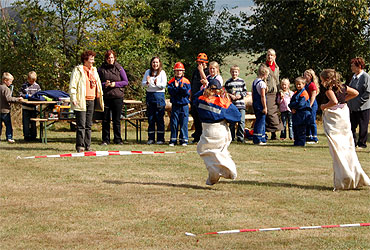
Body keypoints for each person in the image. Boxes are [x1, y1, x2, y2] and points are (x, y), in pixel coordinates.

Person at [320, 69, 370, 190]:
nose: (321, 83)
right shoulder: (343, 87)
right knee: (347, 145)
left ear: (327, 80)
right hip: (344, 115)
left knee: (337, 146)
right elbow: (356, 93)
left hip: (335, 118)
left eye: (322, 80)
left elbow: (334, 101)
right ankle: (353, 175)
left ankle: (344, 178)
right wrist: (344, 100)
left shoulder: (329, 90)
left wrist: (324, 106)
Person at [193, 78, 241, 185]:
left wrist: (204, 89)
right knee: (220, 151)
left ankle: (220, 172)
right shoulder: (223, 102)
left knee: (205, 151)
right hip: (221, 130)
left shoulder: (201, 99)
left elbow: (194, 98)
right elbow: (237, 116)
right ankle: (225, 172)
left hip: (208, 130)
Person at [69, 50, 104, 153]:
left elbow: (98, 85)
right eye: (91, 59)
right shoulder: (78, 70)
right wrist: (74, 98)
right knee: (81, 124)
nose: (93, 61)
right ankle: (80, 146)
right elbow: (73, 85)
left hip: (92, 100)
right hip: (81, 100)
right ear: (85, 60)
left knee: (89, 125)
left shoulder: (94, 70)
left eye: (93, 59)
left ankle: (88, 145)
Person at [98, 50, 129, 145]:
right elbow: (97, 83)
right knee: (105, 120)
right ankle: (105, 139)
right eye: (108, 58)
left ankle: (118, 139)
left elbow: (125, 82)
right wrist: (105, 84)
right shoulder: (101, 69)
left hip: (117, 97)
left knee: (116, 120)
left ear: (114, 58)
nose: (110, 59)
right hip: (106, 97)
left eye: (111, 57)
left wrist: (115, 84)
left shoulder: (119, 68)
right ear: (106, 59)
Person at [141, 56, 167, 144]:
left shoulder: (162, 73)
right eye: (153, 62)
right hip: (150, 96)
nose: (155, 64)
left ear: (159, 63)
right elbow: (143, 84)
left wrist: (157, 84)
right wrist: (147, 82)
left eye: (156, 62)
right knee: (151, 118)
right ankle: (151, 138)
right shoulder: (147, 72)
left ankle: (160, 139)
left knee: (159, 118)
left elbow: (164, 85)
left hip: (159, 96)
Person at [347, 57, 370, 149]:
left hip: (363, 107)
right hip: (353, 107)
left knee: (363, 126)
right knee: (352, 125)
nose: (351, 68)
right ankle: (352, 142)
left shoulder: (366, 77)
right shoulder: (353, 77)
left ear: (359, 66)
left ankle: (362, 144)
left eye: (353, 66)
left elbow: (368, 92)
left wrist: (359, 101)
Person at [167, 62, 191, 146]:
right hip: (175, 104)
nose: (178, 72)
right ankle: (173, 140)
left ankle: (184, 140)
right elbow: (171, 92)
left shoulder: (186, 81)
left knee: (184, 122)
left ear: (183, 71)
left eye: (180, 71)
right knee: (174, 123)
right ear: (174, 72)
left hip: (184, 105)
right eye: (177, 71)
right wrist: (177, 88)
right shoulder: (171, 81)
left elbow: (187, 93)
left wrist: (180, 88)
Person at [225, 65, 248, 143]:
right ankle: (231, 137)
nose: (234, 73)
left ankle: (240, 137)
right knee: (232, 122)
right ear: (230, 72)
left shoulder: (242, 81)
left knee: (241, 122)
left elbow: (245, 92)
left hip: (241, 105)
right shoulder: (228, 82)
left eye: (236, 72)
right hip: (232, 105)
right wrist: (230, 95)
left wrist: (239, 96)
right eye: (233, 72)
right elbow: (225, 93)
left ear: (238, 72)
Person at [190, 53, 209, 143]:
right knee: (196, 118)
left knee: (202, 118)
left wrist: (201, 71)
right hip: (194, 98)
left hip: (203, 99)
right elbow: (192, 84)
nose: (200, 65)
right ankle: (197, 136)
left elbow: (207, 82)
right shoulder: (195, 72)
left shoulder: (208, 72)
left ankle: (203, 137)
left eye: (202, 63)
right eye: (198, 62)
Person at [265, 48, 283, 140]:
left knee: (275, 112)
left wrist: (281, 91)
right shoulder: (263, 67)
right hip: (267, 93)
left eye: (271, 55)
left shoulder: (276, 67)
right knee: (270, 113)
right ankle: (269, 131)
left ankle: (274, 133)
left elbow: (278, 81)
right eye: (268, 55)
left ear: (274, 57)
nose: (270, 56)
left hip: (276, 92)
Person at [0, 72, 23, 143]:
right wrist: (17, 99)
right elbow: (8, 99)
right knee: (8, 125)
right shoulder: (6, 89)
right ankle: (9, 137)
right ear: (5, 80)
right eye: (10, 81)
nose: (11, 83)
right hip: (5, 111)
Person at [288, 77, 311, 146]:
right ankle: (296, 142)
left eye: (299, 84)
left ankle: (301, 143)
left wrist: (294, 106)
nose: (298, 86)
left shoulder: (304, 93)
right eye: (296, 84)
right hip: (296, 114)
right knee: (295, 129)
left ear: (304, 84)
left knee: (301, 129)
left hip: (303, 114)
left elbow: (301, 104)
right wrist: (292, 108)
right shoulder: (295, 93)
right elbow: (290, 103)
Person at [19, 71, 41, 141]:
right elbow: (20, 94)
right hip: (25, 107)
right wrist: (26, 96)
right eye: (30, 81)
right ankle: (26, 136)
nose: (31, 82)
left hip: (34, 107)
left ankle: (33, 136)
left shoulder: (37, 86)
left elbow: (40, 95)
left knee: (33, 123)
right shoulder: (24, 86)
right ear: (28, 79)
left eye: (33, 81)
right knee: (26, 122)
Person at [252, 64, 269, 145]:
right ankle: (259, 138)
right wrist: (265, 107)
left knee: (258, 120)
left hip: (255, 103)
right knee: (261, 121)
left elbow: (253, 93)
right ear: (264, 74)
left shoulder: (254, 82)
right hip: (260, 104)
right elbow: (262, 96)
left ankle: (261, 137)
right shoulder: (262, 83)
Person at [303, 69, 320, 144]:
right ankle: (308, 136)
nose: (304, 76)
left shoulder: (312, 85)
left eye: (305, 75)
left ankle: (314, 137)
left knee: (312, 120)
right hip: (306, 104)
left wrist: (310, 105)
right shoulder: (305, 84)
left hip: (312, 104)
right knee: (307, 120)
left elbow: (313, 96)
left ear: (310, 76)